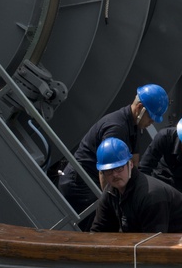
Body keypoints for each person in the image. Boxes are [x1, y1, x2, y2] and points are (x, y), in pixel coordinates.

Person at [58, 84, 168, 229]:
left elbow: (133, 163)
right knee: (96, 230)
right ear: (140, 108)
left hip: (93, 180)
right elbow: (106, 171)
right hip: (81, 185)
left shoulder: (133, 125)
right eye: (151, 118)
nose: (151, 123)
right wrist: (114, 205)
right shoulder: (117, 128)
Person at [89, 137, 182, 234]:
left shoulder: (150, 194)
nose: (115, 174)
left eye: (119, 168)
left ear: (130, 164)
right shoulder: (110, 192)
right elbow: (99, 231)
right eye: (109, 171)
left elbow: (153, 243)